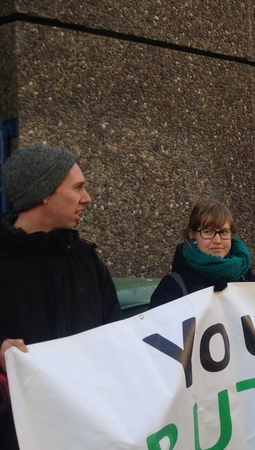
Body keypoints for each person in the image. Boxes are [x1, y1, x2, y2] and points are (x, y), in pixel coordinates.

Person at [0, 144, 124, 449]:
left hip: (89, 432)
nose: (87, 198)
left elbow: (119, 337)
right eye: (78, 187)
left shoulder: (87, 261)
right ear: (44, 193)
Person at [149, 200, 255, 308]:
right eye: (208, 232)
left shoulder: (245, 276)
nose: (218, 240)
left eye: (224, 232)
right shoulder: (172, 287)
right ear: (192, 235)